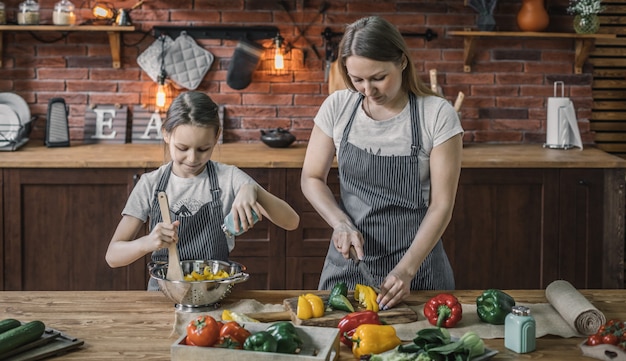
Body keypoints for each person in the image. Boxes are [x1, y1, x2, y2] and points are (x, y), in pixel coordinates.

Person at [301, 16, 463, 310]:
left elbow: (442, 205)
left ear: (401, 62)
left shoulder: (436, 114)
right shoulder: (338, 107)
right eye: (357, 79)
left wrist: (407, 269)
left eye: (377, 78)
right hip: (349, 265)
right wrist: (340, 223)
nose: (367, 90)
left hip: (418, 269)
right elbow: (311, 177)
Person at [106, 91, 300, 290]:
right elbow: (113, 256)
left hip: (214, 291)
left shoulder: (229, 178)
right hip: (162, 294)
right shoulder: (150, 184)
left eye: (203, 149)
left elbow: (291, 222)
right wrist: (148, 242)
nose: (192, 158)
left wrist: (255, 191)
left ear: (217, 136)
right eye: (182, 148)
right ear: (166, 133)